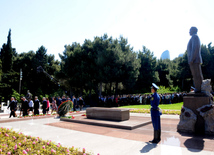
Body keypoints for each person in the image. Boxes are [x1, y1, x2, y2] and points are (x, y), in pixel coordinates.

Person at [187, 27, 203, 93]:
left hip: (194, 60)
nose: (189, 32)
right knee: (196, 75)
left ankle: (198, 88)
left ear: (193, 31)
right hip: (194, 60)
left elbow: (195, 48)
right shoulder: (194, 37)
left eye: (190, 30)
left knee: (196, 75)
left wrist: (191, 59)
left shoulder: (194, 37)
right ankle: (198, 88)